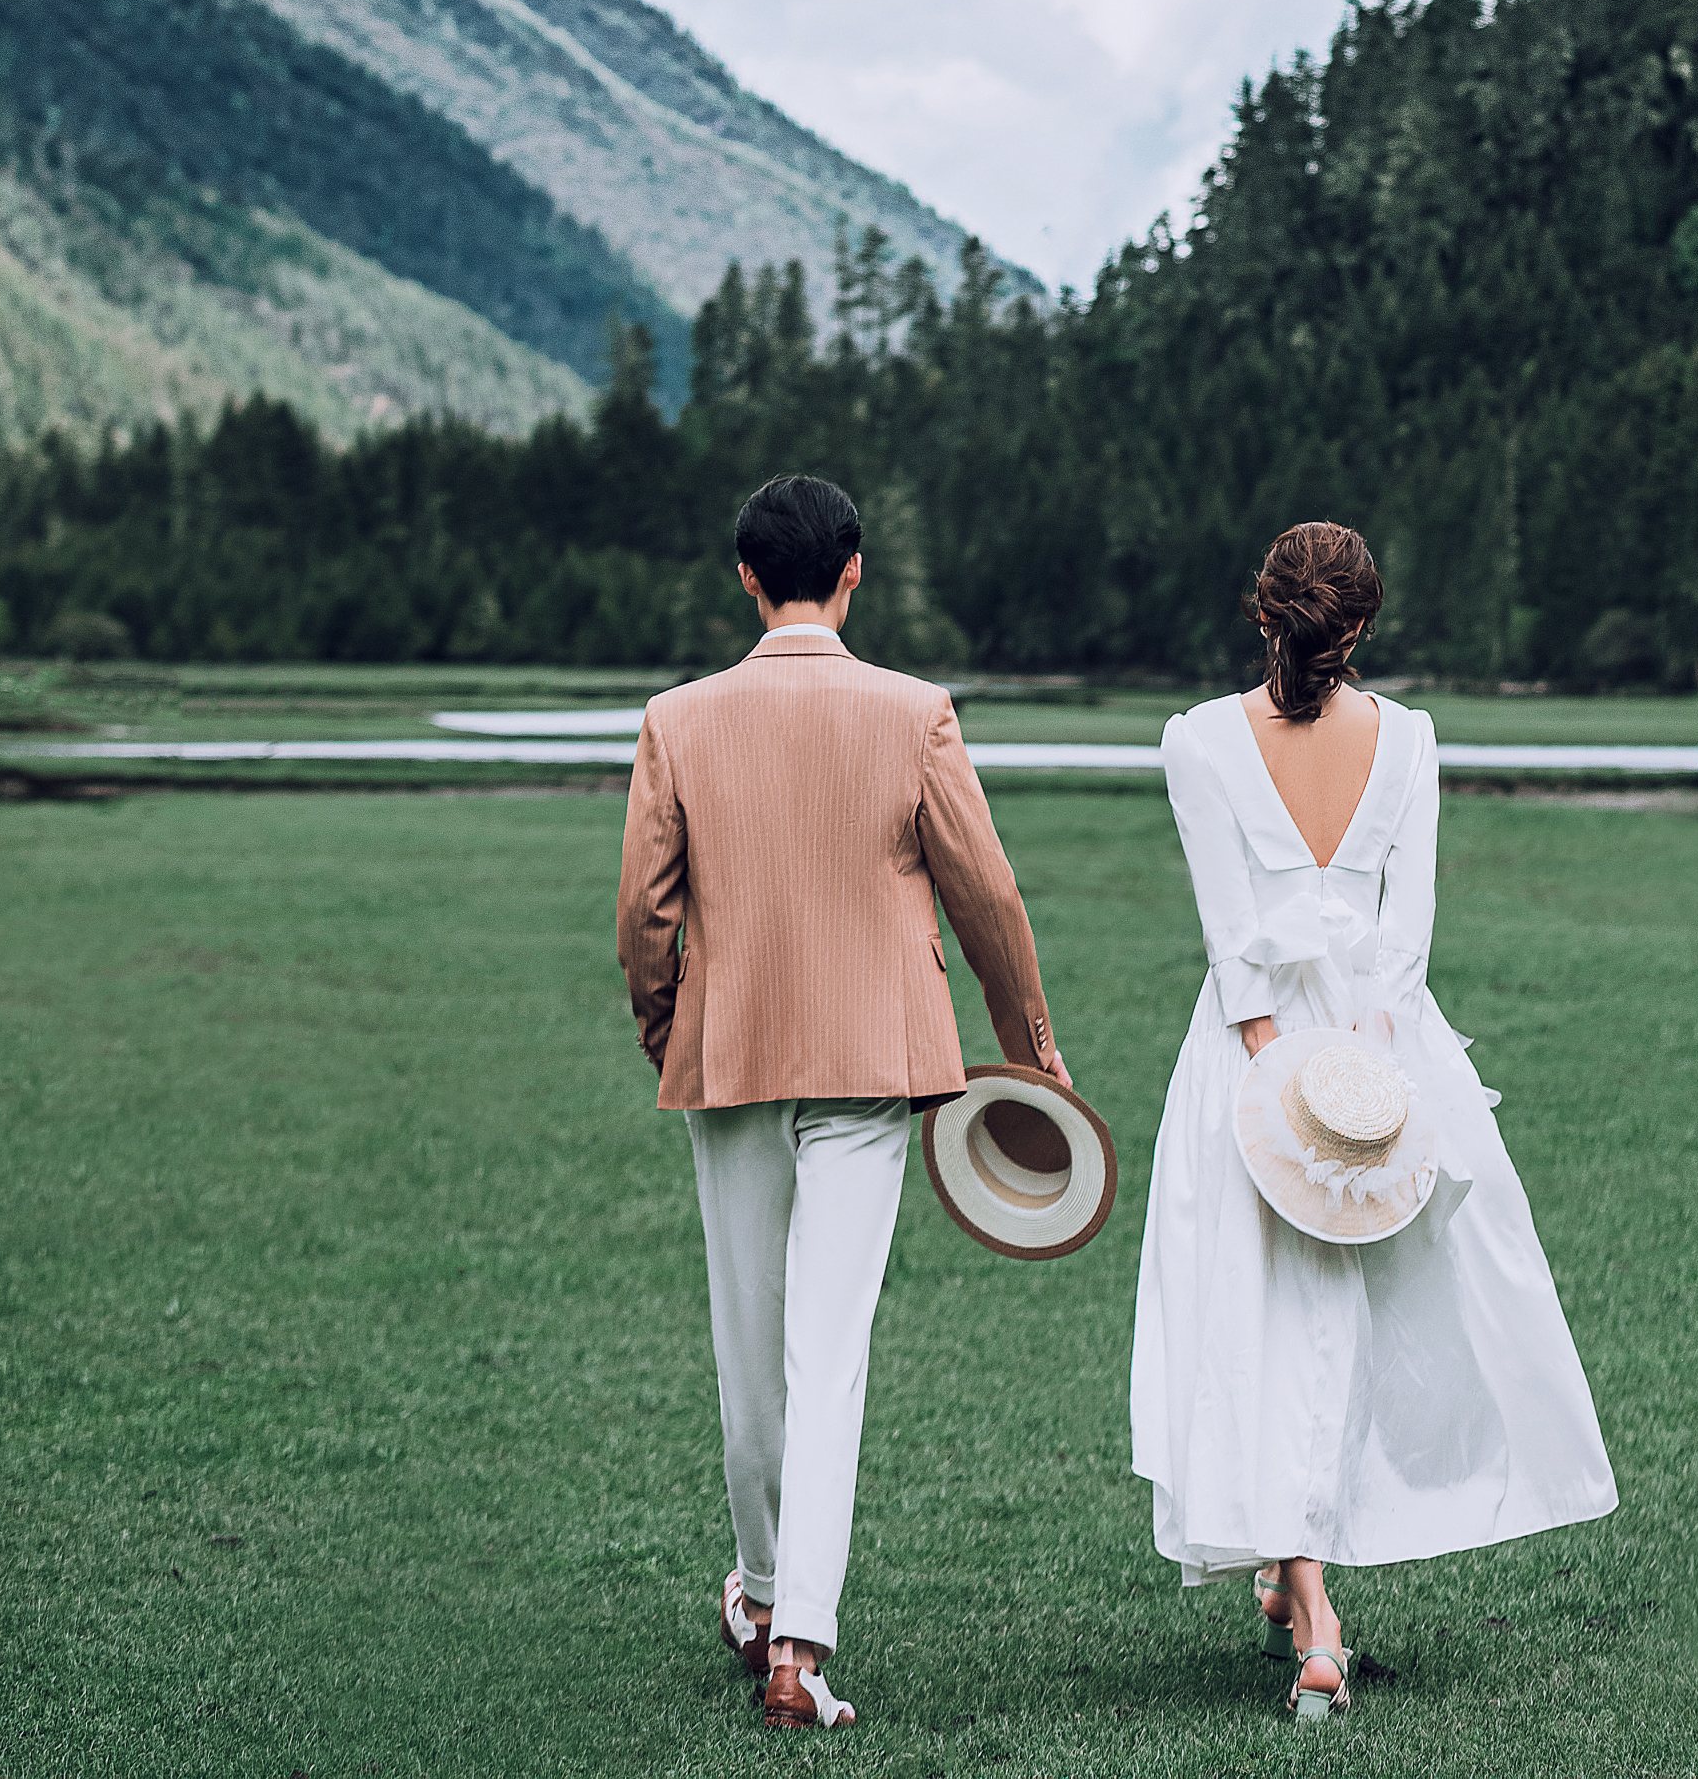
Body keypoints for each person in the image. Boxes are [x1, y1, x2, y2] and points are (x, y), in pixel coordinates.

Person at [1131, 518, 1616, 1718]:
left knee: (1264, 1316)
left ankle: (1311, 1611)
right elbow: (1405, 944)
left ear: (1263, 616)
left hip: (1261, 1055)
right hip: (1371, 1052)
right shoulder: (1407, 740)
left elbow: (1231, 943)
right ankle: (1302, 1588)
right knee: (1337, 1312)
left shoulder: (1197, 742)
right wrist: (1363, 1075)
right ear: (1360, 627)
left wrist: (1275, 1076)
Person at [617, 470, 1069, 1731]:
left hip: (732, 1053)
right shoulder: (914, 711)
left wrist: (673, 1031)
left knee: (747, 1345)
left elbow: (646, 914)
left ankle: (764, 1595)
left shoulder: (677, 719)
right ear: (854, 570)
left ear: (747, 579)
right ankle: (795, 1646)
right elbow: (988, 894)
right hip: (872, 1064)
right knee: (831, 1349)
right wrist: (1029, 1046)